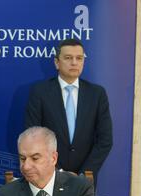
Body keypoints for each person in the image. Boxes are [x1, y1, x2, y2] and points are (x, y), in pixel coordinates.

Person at [25, 38, 112, 186]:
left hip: (85, 180)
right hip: (48, 177)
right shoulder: (40, 92)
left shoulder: (97, 94)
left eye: (79, 58)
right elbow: (33, 136)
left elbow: (105, 140)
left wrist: (84, 173)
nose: (74, 62)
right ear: (57, 62)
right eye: (68, 58)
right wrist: (57, 172)